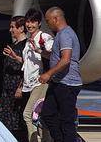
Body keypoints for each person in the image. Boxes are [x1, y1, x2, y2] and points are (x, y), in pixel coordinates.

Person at [40, 7, 82, 142]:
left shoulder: (65, 34)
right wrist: (41, 52)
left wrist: (48, 74)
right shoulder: (60, 34)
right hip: (59, 82)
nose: (47, 24)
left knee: (67, 120)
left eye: (48, 21)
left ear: (56, 19)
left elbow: (65, 60)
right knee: (48, 114)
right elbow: (57, 56)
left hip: (68, 83)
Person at [21, 8, 53, 142]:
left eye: (33, 22)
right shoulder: (29, 40)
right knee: (40, 116)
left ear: (39, 23)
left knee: (28, 115)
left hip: (41, 82)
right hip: (29, 84)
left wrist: (39, 49)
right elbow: (29, 64)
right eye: (27, 22)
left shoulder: (44, 37)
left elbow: (53, 55)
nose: (29, 25)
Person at [0, 16, 28, 141]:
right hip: (7, 89)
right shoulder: (14, 44)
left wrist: (21, 87)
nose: (10, 30)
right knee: (5, 121)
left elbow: (28, 67)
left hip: (17, 89)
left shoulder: (26, 45)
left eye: (13, 27)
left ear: (21, 28)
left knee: (17, 123)